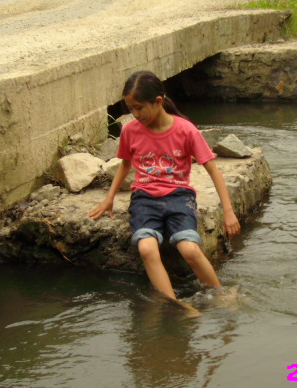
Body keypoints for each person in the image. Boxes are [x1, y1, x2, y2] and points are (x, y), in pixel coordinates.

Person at [88, 70, 240, 304]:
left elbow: (213, 170)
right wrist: (109, 198)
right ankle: (174, 303)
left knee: (189, 249)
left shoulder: (185, 129)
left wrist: (228, 211)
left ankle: (221, 295)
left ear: (158, 102)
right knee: (147, 248)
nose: (135, 114)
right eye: (131, 109)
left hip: (180, 197)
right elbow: (125, 165)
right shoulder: (130, 130)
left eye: (139, 107)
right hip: (144, 199)